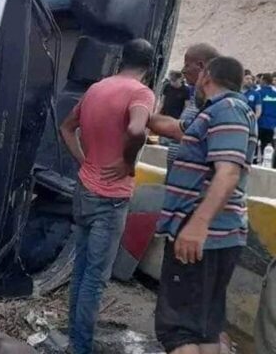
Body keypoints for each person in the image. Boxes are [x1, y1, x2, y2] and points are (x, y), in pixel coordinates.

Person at [148, 56, 257, 354]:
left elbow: (229, 171)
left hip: (201, 236)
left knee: (178, 333)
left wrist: (198, 225)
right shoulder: (214, 114)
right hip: (212, 235)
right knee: (205, 330)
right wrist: (143, 111)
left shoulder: (228, 111)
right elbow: (173, 127)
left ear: (206, 75)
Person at [60, 39, 156, 354]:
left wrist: (83, 160)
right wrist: (128, 162)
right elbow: (137, 130)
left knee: (82, 270)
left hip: (85, 188)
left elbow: (66, 128)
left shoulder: (95, 90)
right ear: (149, 66)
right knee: (95, 279)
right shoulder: (141, 93)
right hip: (111, 197)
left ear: (121, 58)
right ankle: (81, 347)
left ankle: (75, 339)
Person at [165, 44, 220, 168]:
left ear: (201, 66)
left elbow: (182, 131)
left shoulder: (210, 103)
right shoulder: (196, 95)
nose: (183, 70)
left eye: (187, 65)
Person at [257, 73, 276, 166]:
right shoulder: (274, 94)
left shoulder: (258, 93)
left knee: (255, 147)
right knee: (267, 148)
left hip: (259, 124)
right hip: (271, 125)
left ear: (263, 80)